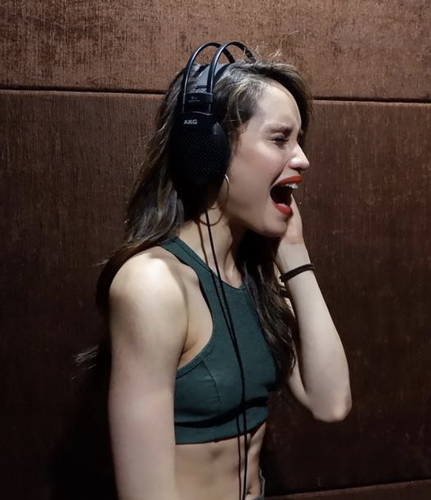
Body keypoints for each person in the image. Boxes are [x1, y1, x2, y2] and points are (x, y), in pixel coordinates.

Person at [95, 44, 352, 500]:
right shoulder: (153, 285)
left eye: (299, 141)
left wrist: (295, 255)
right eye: (280, 139)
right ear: (209, 152)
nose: (302, 160)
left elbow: (330, 402)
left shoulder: (257, 275)